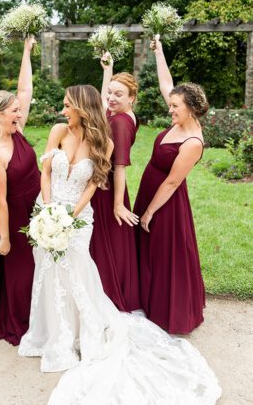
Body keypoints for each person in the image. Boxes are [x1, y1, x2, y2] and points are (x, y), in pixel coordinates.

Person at [18, 84, 221, 404]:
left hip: (78, 217)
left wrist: (69, 215)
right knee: (48, 273)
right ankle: (54, 334)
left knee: (78, 272)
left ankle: (86, 332)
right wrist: (48, 211)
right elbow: (45, 172)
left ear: (81, 108)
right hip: (48, 210)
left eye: (67, 103)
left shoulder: (106, 141)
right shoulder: (58, 129)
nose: (62, 108)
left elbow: (96, 182)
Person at [134, 35, 208, 334]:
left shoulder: (193, 141)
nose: (170, 109)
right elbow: (168, 84)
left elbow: (173, 181)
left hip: (165, 201)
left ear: (189, 108)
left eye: (175, 106)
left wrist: (150, 212)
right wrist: (159, 50)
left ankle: (168, 310)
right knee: (146, 249)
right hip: (150, 190)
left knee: (164, 254)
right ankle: (143, 298)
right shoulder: (179, 120)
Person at [0, 36, 40, 346]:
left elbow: (25, 90)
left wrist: (26, 52)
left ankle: (45, 317)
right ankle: (23, 321)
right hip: (16, 216)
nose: (20, 113)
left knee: (44, 266)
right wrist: (4, 237)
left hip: (40, 205)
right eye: (14, 111)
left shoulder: (18, 130)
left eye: (19, 110)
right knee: (22, 271)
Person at [90, 52, 141, 312]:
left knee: (108, 244)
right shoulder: (122, 114)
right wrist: (107, 72)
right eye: (110, 93)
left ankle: (110, 296)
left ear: (131, 98)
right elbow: (102, 104)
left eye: (118, 95)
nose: (111, 98)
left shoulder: (120, 123)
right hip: (106, 185)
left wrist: (118, 205)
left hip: (109, 189)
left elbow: (119, 166)